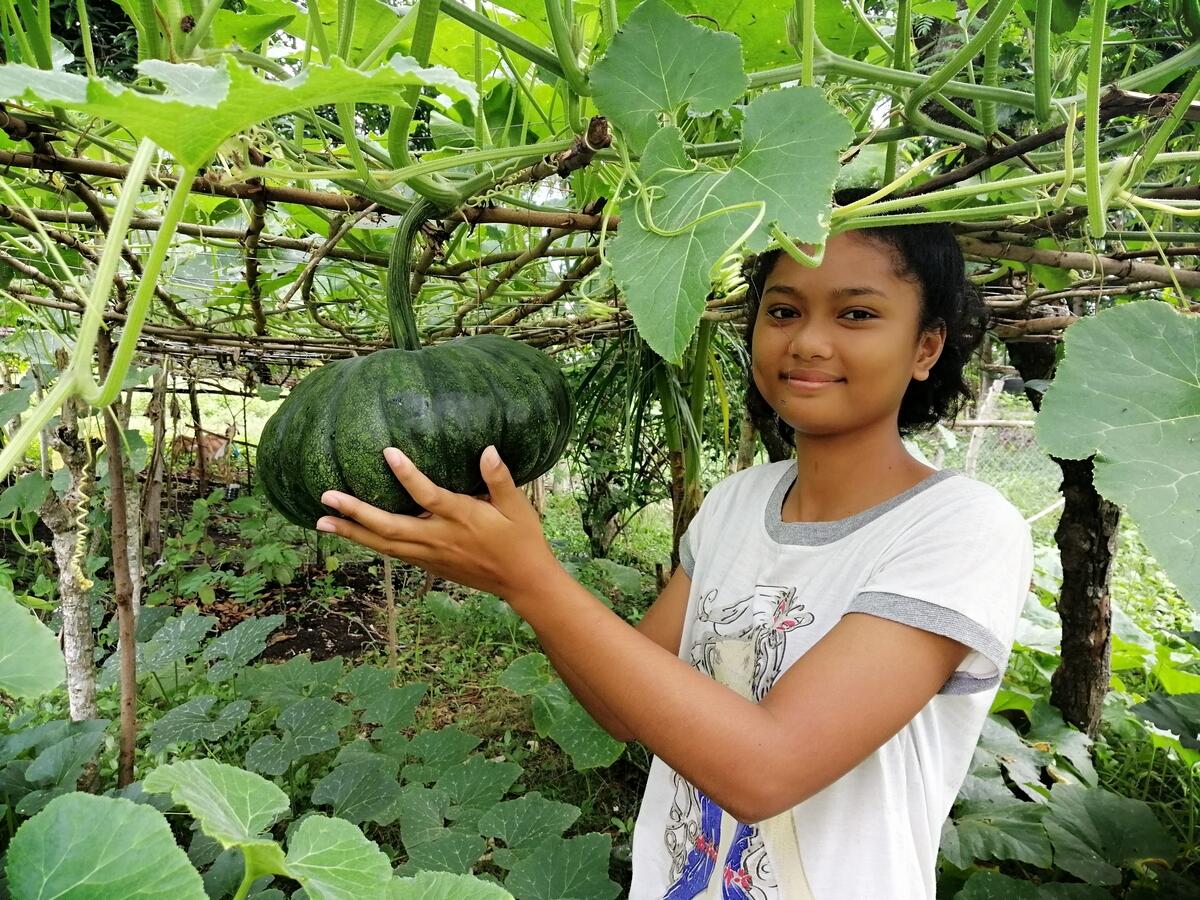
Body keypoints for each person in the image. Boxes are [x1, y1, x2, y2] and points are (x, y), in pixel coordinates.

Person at [313, 190, 1035, 899]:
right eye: (783, 311)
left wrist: (533, 580)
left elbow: (768, 771)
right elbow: (621, 713)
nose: (808, 341)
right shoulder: (736, 504)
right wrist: (517, 576)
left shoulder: (962, 527)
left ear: (926, 347)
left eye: (857, 314)